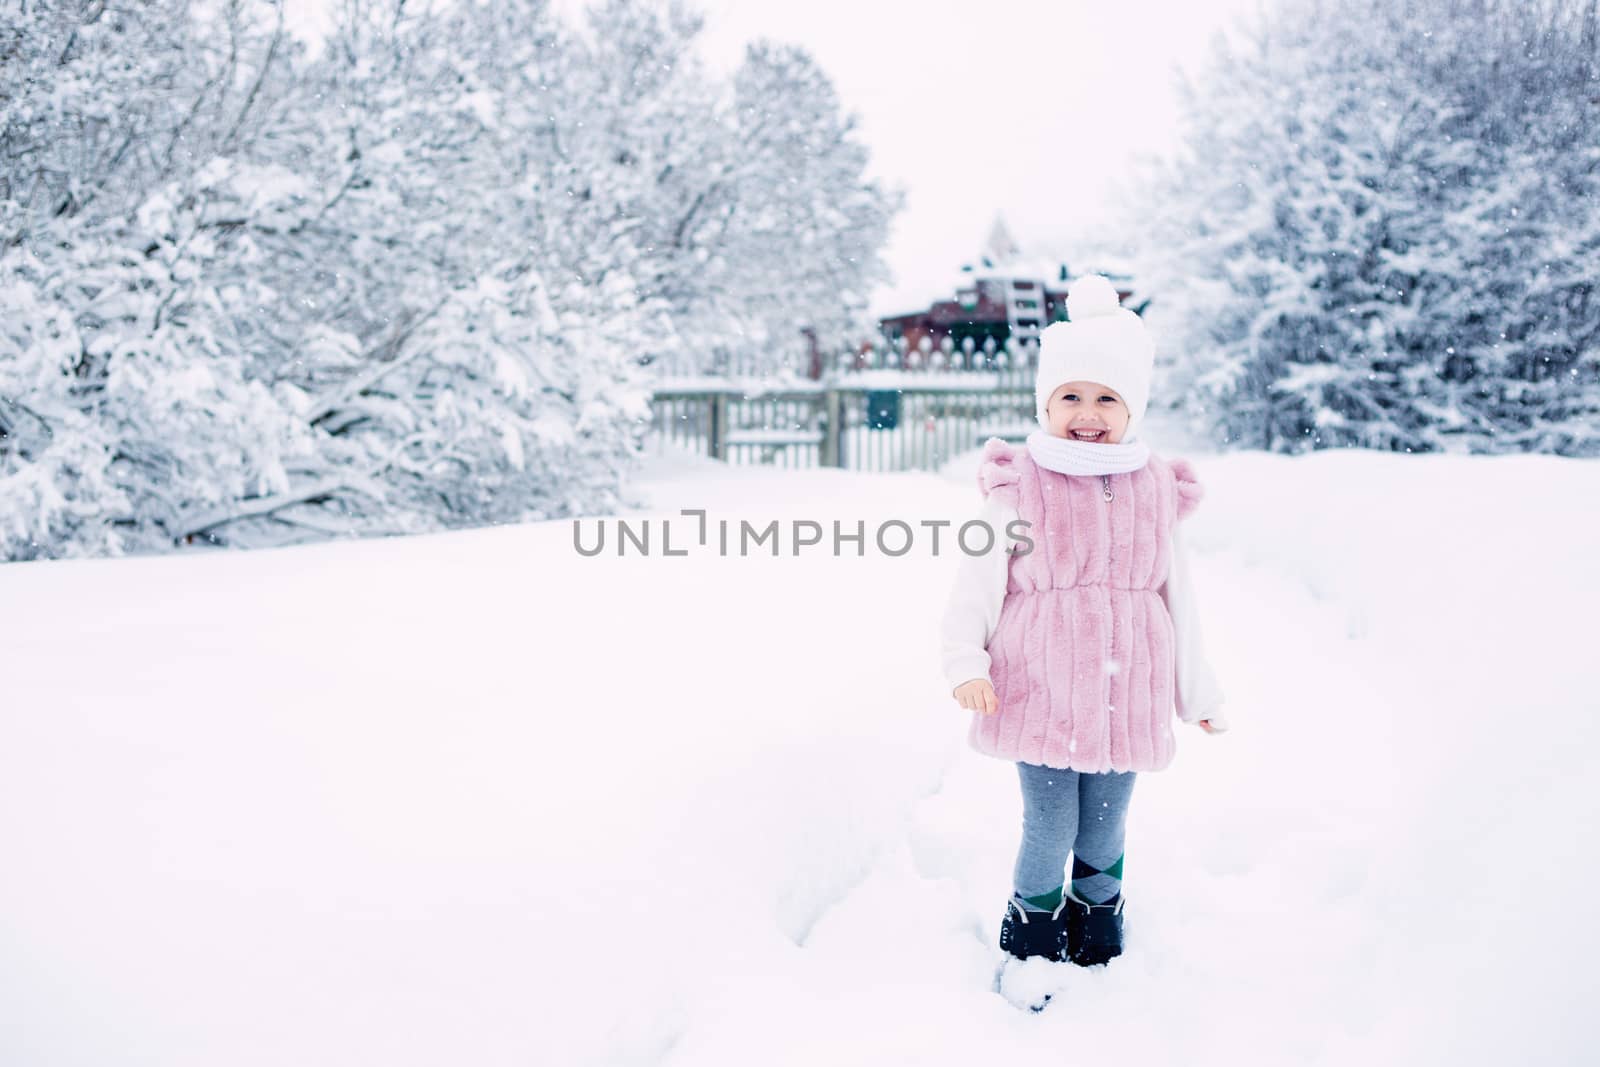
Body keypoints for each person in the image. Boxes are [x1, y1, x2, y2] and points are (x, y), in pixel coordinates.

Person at [939, 273, 1229, 1000]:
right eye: (1070, 396)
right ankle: (1032, 936)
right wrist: (965, 662)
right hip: (1039, 683)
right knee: (1050, 820)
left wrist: (1197, 692)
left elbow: (1178, 596)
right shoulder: (1019, 483)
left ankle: (1097, 923)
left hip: (1126, 685)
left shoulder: (1155, 485)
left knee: (1105, 824)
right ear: (1046, 402)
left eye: (1106, 398)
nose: (1087, 414)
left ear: (1133, 407)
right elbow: (976, 583)